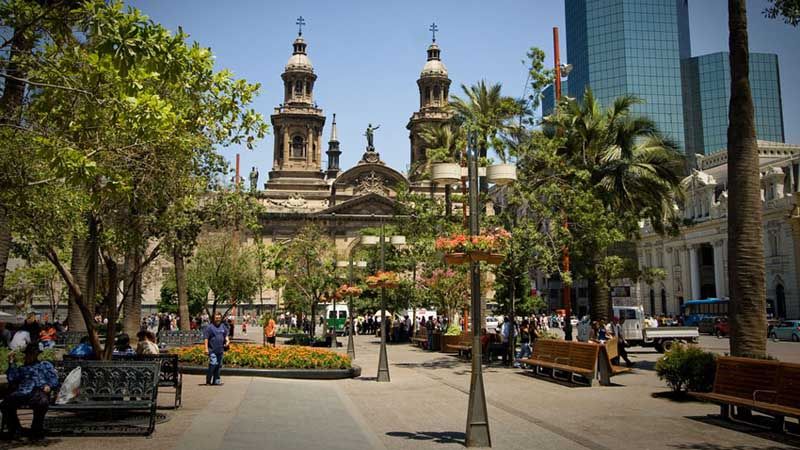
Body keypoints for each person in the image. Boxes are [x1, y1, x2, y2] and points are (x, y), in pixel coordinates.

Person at [1, 343, 59, 440]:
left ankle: (36, 429)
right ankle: (16, 429)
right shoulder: (22, 368)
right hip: (22, 392)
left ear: (37, 354)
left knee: (42, 402)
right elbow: (11, 378)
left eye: (33, 353)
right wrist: (11, 362)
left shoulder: (45, 365)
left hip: (38, 391)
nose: (30, 356)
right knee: (5, 404)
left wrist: (49, 385)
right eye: (28, 354)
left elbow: (54, 380)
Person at [204, 312, 230, 386]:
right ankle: (208, 380)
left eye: (219, 318)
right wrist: (206, 349)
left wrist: (227, 341)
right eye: (216, 318)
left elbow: (226, 335)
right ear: (213, 318)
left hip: (220, 350)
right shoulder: (210, 327)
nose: (218, 319)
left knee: (218, 366)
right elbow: (206, 339)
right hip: (212, 350)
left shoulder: (223, 326)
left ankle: (216, 381)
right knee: (213, 363)